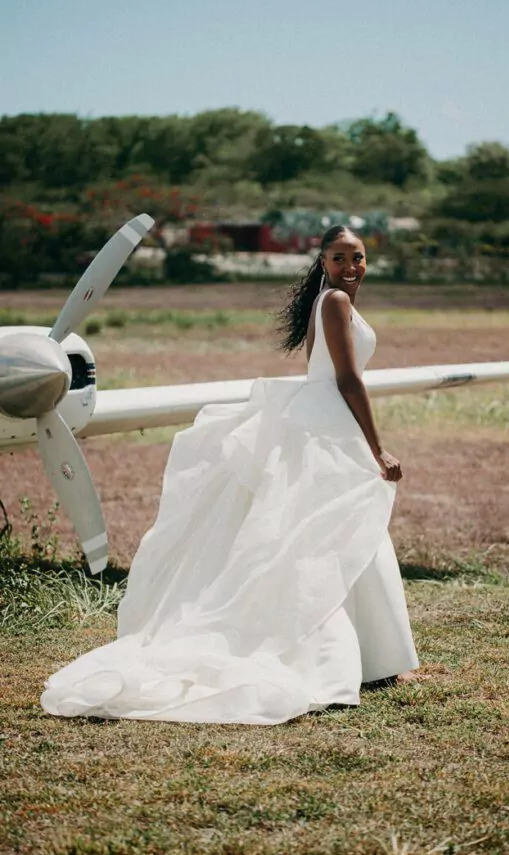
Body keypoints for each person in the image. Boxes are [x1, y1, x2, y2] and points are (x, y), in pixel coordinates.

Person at [40, 225, 419, 725]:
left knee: (339, 530)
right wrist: (377, 447)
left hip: (324, 418)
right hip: (328, 422)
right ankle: (357, 657)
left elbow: (326, 373)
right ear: (323, 262)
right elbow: (346, 378)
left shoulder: (329, 302)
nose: (352, 267)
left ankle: (378, 657)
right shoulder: (335, 304)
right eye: (341, 258)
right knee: (330, 533)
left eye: (359, 258)